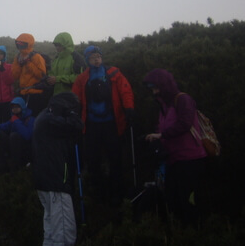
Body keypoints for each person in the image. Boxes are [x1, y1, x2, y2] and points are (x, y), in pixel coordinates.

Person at [72, 46, 134, 205]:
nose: (96, 59)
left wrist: (129, 108)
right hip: (92, 124)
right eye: (93, 57)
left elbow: (125, 91)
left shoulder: (113, 73)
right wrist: (72, 112)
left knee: (115, 157)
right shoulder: (82, 78)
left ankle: (116, 190)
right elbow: (75, 97)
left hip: (111, 123)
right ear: (87, 60)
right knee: (93, 158)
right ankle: (98, 190)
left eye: (99, 56)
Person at [144, 68, 207, 227]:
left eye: (156, 88)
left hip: (190, 159)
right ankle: (182, 235)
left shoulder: (183, 100)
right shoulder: (163, 106)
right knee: (174, 199)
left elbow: (185, 124)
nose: (154, 92)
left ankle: (196, 233)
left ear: (165, 85)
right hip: (173, 160)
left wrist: (161, 135)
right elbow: (163, 127)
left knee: (189, 200)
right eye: (152, 89)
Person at [32, 92, 83, 246]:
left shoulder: (44, 116)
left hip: (44, 181)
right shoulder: (52, 119)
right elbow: (77, 126)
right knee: (64, 226)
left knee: (51, 225)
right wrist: (72, 114)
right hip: (56, 181)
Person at [0, 97, 35, 174]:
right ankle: (2, 166)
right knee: (0, 134)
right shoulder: (13, 119)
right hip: (14, 149)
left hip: (26, 152)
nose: (14, 109)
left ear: (22, 107)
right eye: (13, 107)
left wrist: (16, 121)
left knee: (14, 136)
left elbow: (28, 136)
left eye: (17, 107)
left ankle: (15, 168)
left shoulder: (30, 119)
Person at [11, 33, 48, 117]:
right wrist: (20, 64)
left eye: (22, 44)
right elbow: (15, 76)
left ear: (29, 44)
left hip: (35, 94)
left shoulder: (37, 57)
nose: (20, 46)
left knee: (33, 118)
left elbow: (42, 75)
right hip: (23, 93)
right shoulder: (18, 57)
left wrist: (28, 63)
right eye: (18, 44)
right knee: (23, 118)